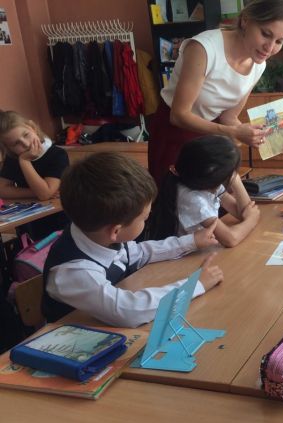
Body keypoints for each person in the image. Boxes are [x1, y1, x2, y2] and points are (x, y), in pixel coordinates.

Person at [42, 152, 224, 328]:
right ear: (116, 231)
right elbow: (130, 311)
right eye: (145, 218)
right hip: (73, 339)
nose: (148, 219)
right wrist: (193, 286)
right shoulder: (74, 272)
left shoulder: (97, 233)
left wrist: (191, 241)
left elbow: (139, 253)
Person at [148, 0, 283, 184]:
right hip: (174, 134)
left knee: (214, 198)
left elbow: (229, 117)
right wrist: (231, 132)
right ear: (245, 21)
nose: (270, 47)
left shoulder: (258, 65)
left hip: (210, 137)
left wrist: (273, 141)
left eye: (279, 41)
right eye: (266, 34)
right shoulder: (204, 48)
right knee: (174, 197)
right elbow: (178, 115)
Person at [149, 135, 260, 248]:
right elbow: (230, 239)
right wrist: (251, 220)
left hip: (203, 250)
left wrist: (234, 178)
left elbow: (243, 212)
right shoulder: (192, 198)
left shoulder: (201, 182)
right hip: (188, 257)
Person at [0, 110, 68, 200]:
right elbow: (2, 190)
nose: (26, 144)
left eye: (26, 135)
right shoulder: (13, 157)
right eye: (16, 143)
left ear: (33, 127)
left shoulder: (58, 155)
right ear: (9, 148)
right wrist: (33, 193)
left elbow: (44, 194)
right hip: (30, 206)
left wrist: (24, 161)